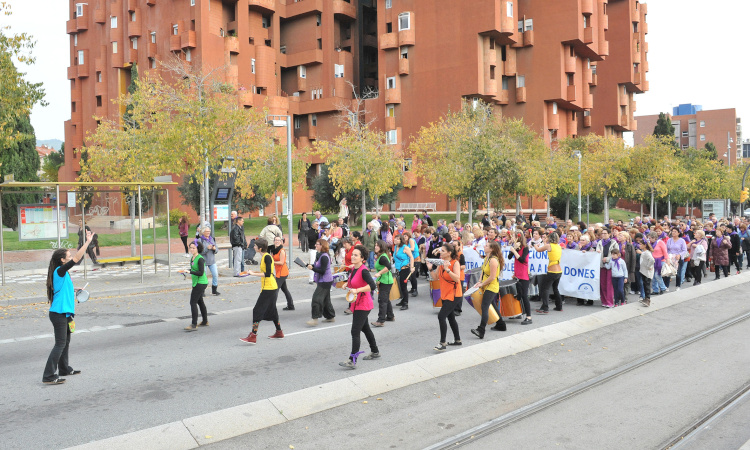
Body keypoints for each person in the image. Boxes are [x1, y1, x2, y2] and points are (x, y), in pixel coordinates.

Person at [42, 230, 94, 385]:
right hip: (58, 314)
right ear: (63, 260)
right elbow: (78, 258)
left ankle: (64, 368)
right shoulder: (60, 270)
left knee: (66, 341)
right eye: (69, 256)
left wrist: (74, 290)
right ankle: (48, 375)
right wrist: (88, 242)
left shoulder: (62, 273)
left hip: (66, 313)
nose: (71, 258)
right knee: (60, 343)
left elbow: (62, 290)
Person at [339, 245, 380, 368]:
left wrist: (357, 290)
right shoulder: (354, 269)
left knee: (355, 331)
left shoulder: (363, 270)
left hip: (364, 304)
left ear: (362, 258)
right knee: (365, 328)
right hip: (357, 303)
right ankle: (375, 351)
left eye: (356, 255)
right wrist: (347, 283)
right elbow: (353, 280)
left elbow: (372, 285)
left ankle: (352, 359)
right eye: (352, 254)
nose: (353, 256)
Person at [240, 238, 284, 344]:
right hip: (269, 287)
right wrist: (251, 271)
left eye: (255, 246)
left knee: (257, 310)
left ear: (260, 248)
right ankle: (279, 332)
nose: (254, 247)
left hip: (269, 288)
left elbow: (268, 274)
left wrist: (253, 274)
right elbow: (264, 271)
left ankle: (253, 335)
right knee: (272, 310)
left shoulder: (267, 257)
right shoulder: (265, 256)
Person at [427, 243, 462, 352]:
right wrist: (430, 269)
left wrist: (448, 270)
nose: (440, 252)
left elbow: (457, 279)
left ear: (449, 253)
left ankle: (443, 342)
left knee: (441, 316)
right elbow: (436, 277)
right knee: (450, 317)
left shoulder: (455, 263)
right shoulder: (441, 263)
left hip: (454, 294)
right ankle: (457, 340)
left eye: (442, 251)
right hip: (445, 294)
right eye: (440, 250)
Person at [471, 241, 505, 339]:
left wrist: (482, 284)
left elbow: (493, 277)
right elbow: (483, 271)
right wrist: (479, 281)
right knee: (492, 306)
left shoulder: (493, 260)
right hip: (486, 285)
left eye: (486, 246)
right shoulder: (487, 258)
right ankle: (501, 324)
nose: (484, 246)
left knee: (484, 307)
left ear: (492, 249)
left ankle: (481, 330)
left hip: (492, 287)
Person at [306, 239, 336, 326]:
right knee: (326, 300)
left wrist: (312, 268)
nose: (315, 245)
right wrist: (309, 265)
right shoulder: (319, 255)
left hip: (325, 281)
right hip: (323, 280)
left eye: (317, 244)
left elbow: (322, 271)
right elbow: (317, 265)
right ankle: (330, 317)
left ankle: (314, 319)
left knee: (316, 299)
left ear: (322, 245)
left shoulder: (324, 257)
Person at [182, 241, 209, 331]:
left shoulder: (200, 258)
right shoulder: (193, 258)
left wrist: (190, 272)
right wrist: (186, 270)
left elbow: (201, 272)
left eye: (194, 248)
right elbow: (194, 268)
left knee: (193, 302)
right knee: (200, 301)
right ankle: (205, 321)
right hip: (196, 282)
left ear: (198, 248)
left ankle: (194, 324)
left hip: (201, 283)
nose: (192, 249)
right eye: (190, 248)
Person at [534, 232, 563, 313]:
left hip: (552, 271)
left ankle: (545, 307)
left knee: (545, 289)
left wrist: (534, 244)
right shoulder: (558, 246)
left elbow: (538, 250)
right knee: (555, 288)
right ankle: (559, 306)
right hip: (559, 270)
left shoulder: (549, 246)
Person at [508, 232, 532, 325]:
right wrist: (514, 248)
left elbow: (522, 260)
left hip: (524, 274)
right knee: (519, 295)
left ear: (518, 238)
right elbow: (509, 257)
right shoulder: (516, 247)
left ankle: (529, 317)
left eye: (514, 237)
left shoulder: (525, 248)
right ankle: (520, 312)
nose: (512, 238)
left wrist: (514, 251)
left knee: (525, 296)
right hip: (517, 274)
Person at [371, 240, 395, 327]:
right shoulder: (381, 256)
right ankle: (390, 316)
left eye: (377, 245)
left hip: (386, 281)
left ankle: (381, 320)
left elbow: (388, 267)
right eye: (375, 245)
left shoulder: (382, 257)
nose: (375, 247)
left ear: (382, 247)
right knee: (385, 299)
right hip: (384, 280)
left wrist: (379, 273)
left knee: (382, 300)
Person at [196, 226, 220, 296]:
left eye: (209, 231)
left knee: (215, 275)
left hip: (212, 261)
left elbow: (217, 249)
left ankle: (214, 290)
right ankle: (202, 291)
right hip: (203, 261)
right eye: (207, 232)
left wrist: (214, 249)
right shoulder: (200, 240)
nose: (208, 233)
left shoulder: (211, 239)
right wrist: (207, 248)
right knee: (204, 277)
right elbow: (199, 252)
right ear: (203, 232)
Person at [596, 228, 618, 307]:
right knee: (603, 284)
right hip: (602, 265)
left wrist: (608, 259)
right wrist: (597, 252)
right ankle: (604, 301)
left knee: (609, 285)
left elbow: (617, 254)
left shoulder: (614, 243)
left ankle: (610, 302)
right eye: (602, 233)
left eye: (605, 233)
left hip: (610, 266)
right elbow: (597, 251)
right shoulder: (599, 242)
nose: (603, 235)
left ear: (609, 234)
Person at [272, 236, 295, 311]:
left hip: (283, 272)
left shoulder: (282, 251)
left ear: (281, 242)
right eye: (276, 240)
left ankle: (272, 308)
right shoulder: (274, 250)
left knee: (275, 289)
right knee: (284, 289)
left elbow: (281, 262)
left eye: (279, 240)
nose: (277, 241)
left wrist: (272, 262)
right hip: (278, 272)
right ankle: (291, 305)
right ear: (274, 241)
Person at [393, 234, 414, 311]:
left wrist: (412, 267)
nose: (395, 240)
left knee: (404, 286)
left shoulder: (405, 247)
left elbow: (411, 257)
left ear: (401, 240)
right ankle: (403, 300)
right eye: (395, 238)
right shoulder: (395, 247)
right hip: (399, 269)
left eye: (398, 239)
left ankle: (406, 303)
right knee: (400, 286)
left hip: (405, 268)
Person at [638, 240, 655, 307]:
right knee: (645, 285)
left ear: (645, 245)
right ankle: (645, 298)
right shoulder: (644, 252)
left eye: (641, 244)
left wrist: (648, 266)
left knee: (647, 285)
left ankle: (648, 299)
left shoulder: (647, 253)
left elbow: (652, 260)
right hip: (643, 271)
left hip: (647, 272)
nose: (640, 245)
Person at [403, 231, 420, 296]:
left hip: (416, 259)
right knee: (410, 275)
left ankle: (415, 290)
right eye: (404, 236)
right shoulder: (407, 243)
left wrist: (405, 249)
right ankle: (413, 288)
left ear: (408, 236)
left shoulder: (411, 240)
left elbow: (412, 248)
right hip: (412, 260)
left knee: (412, 275)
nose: (404, 238)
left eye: (405, 236)